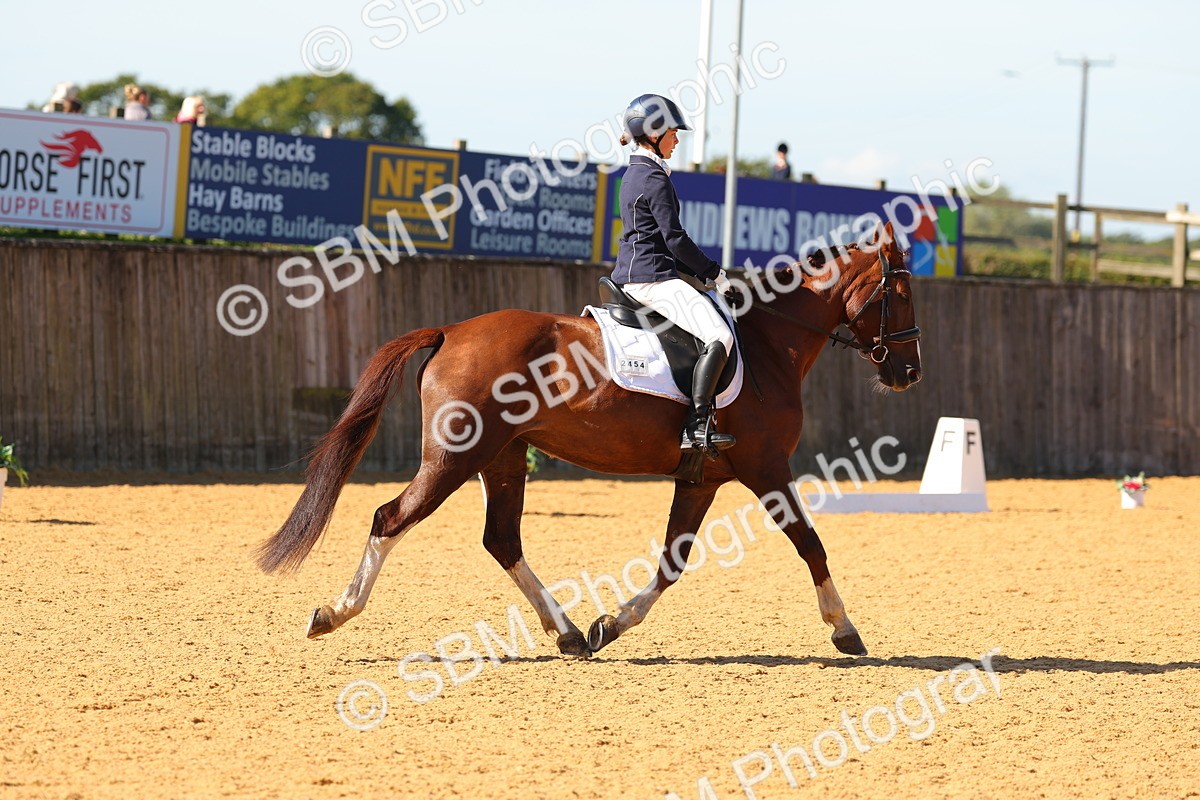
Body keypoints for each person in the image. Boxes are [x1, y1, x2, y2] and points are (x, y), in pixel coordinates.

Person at [612, 93, 736, 456]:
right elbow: (676, 240)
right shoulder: (653, 177)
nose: (677, 139)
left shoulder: (635, 172)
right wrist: (715, 273)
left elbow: (662, 241)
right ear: (652, 133)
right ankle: (697, 425)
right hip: (652, 279)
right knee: (719, 335)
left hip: (637, 271)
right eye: (672, 132)